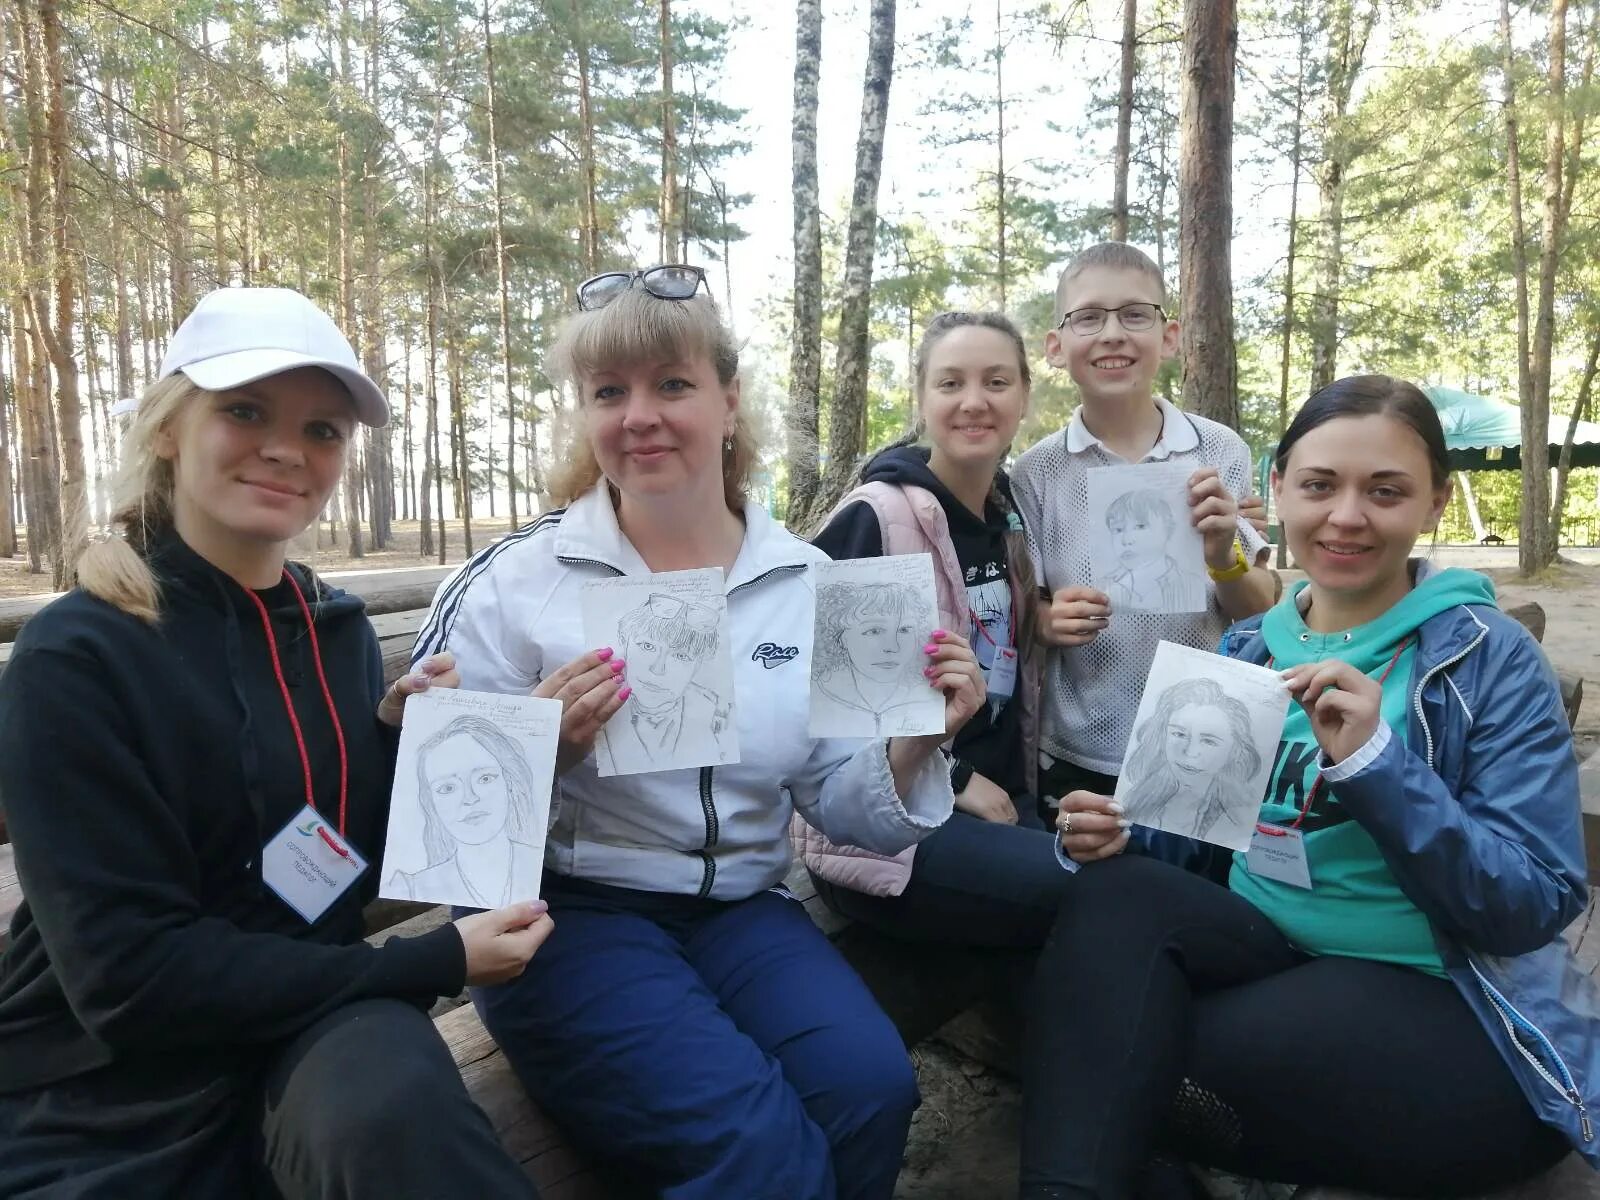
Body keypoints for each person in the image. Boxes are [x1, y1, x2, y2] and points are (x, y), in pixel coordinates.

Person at [409, 269, 984, 1200]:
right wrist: (540, 750)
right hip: (572, 916)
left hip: (744, 910)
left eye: (670, 384)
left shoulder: (810, 580)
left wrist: (917, 742)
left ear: (728, 400)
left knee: (873, 1093)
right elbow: (447, 837)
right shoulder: (521, 581)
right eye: (609, 392)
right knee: (758, 1153)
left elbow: (852, 814)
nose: (640, 416)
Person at [0, 287, 548, 1199]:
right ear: (171, 427)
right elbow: (128, 980)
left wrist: (412, 746)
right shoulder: (78, 657)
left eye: (324, 429)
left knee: (394, 1108)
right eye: (245, 411)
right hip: (104, 1083)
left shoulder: (334, 632)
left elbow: (332, 856)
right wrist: (436, 960)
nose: (289, 449)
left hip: (314, 1022)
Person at [1026, 375, 1594, 1197]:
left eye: (1386, 491)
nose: (1347, 516)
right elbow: (1187, 839)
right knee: (1108, 906)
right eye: (1321, 485)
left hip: (1442, 998)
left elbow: (1530, 904)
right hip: (1271, 953)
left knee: (1108, 1052)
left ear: (1435, 502)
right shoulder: (1253, 646)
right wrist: (1124, 827)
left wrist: (1375, 765)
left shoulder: (1489, 659)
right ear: (1279, 489)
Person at [804, 310, 1074, 950]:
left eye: (997, 382)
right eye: (951, 383)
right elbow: (828, 710)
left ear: (1025, 397)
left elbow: (992, 644)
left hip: (1007, 801)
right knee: (1097, 898)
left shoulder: (1007, 517)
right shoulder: (878, 518)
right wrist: (952, 779)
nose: (974, 402)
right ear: (921, 398)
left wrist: (1042, 617)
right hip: (895, 831)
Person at [1012, 242, 1276, 817]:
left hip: (1200, 742)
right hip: (1080, 745)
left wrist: (1220, 551)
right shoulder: (1036, 473)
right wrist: (1045, 619)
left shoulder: (1218, 450)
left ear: (1170, 336)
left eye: (1135, 314)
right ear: (1056, 347)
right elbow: (1022, 606)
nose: (1113, 334)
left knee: (1191, 897)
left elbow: (1258, 610)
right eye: (1088, 317)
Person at [387, 714, 544, 908]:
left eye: (485, 778)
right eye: (448, 788)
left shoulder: (537, 863)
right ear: (431, 803)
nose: (470, 798)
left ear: (509, 782)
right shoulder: (413, 887)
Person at [599, 590, 734, 772]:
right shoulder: (595, 700)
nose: (658, 669)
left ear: (699, 664)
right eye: (647, 646)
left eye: (680, 655)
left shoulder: (718, 712)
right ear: (625, 642)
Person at [1119, 676, 1262, 847]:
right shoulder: (1137, 798)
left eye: (1209, 741)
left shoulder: (1239, 818)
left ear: (1235, 750)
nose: (1190, 751)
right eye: (1179, 734)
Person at [812, 579, 936, 735]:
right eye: (874, 631)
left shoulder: (927, 697)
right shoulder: (820, 698)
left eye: (904, 630)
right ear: (841, 637)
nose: (893, 647)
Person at [1102, 488, 1206, 612]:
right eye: (1118, 530)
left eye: (1140, 527)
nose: (1126, 540)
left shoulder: (1192, 586)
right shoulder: (1102, 587)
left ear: (1168, 530)